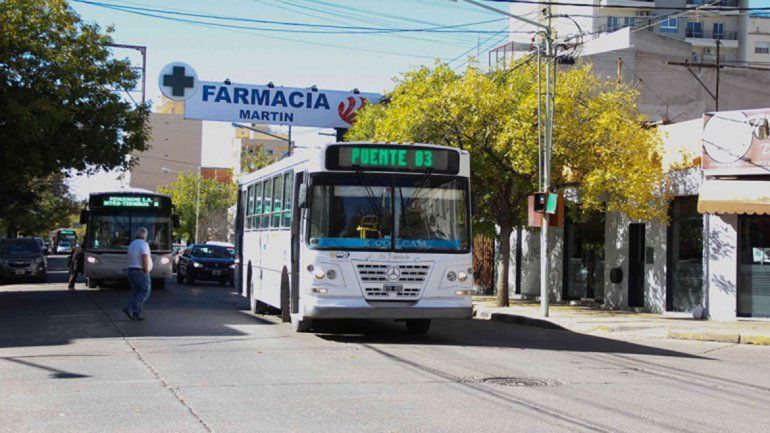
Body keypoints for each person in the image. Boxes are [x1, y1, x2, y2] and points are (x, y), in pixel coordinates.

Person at [123, 227, 153, 321]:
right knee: (145, 292)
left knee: (137, 293)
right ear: (145, 235)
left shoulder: (132, 244)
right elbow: (144, 256)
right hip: (140, 271)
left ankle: (137, 314)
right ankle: (130, 308)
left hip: (131, 270)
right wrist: (146, 270)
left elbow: (128, 257)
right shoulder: (144, 244)